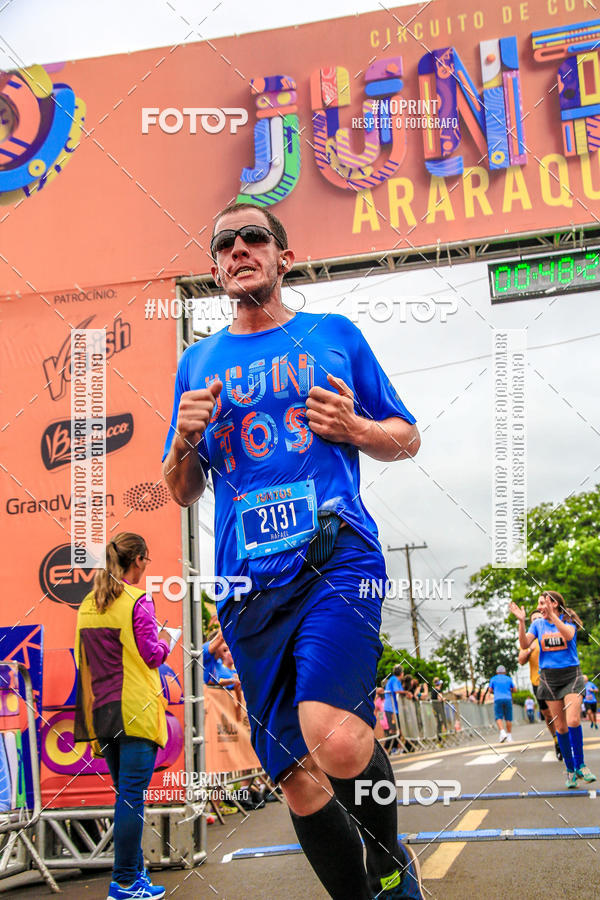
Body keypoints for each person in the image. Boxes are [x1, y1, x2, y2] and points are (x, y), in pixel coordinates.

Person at [162, 202, 423, 899]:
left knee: (334, 737)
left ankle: (393, 871)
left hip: (336, 554)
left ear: (285, 256)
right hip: (248, 587)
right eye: (224, 243)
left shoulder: (333, 335)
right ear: (215, 266)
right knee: (298, 781)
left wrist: (356, 426)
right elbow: (181, 491)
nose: (239, 249)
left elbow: (407, 437)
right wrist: (187, 439)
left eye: (254, 238)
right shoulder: (197, 362)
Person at [74, 533, 169, 900]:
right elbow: (150, 655)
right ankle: (126, 881)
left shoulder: (88, 603)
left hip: (102, 710)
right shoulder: (137, 600)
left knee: (124, 796)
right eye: (148, 561)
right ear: (139, 560)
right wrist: (166, 643)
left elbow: (85, 657)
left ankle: (133, 875)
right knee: (131, 797)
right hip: (135, 709)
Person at [511, 591, 596, 788]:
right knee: (560, 727)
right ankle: (570, 770)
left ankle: (581, 765)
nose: (540, 607)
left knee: (573, 720)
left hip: (571, 675)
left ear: (554, 603)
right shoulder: (537, 624)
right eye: (539, 604)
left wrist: (553, 617)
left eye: (543, 603)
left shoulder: (567, 620)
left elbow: (567, 636)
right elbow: (524, 644)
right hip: (549, 678)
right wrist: (522, 622)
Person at [518, 610, 562, 760]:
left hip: (556, 679)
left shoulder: (552, 632)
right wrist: (529, 649)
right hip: (538, 682)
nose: (537, 621)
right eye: (533, 619)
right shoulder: (529, 640)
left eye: (539, 618)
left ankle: (564, 737)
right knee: (548, 714)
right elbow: (521, 660)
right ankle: (556, 739)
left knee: (560, 713)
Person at [488, 665, 516, 742]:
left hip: (497, 699)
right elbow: (514, 689)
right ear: (505, 672)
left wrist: (496, 691)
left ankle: (502, 732)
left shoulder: (493, 679)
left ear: (497, 672)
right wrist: (508, 690)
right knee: (508, 718)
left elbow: (490, 690)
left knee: (498, 717)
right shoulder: (508, 679)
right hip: (508, 699)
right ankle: (509, 736)